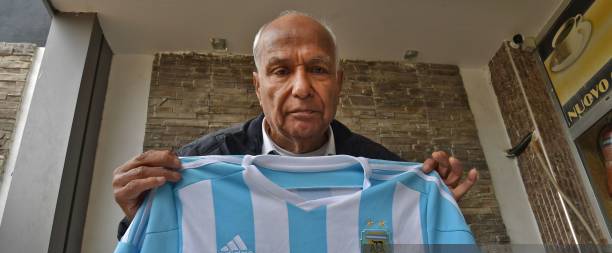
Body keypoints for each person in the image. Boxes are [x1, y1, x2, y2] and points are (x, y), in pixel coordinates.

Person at [113, 11, 479, 238]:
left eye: (318, 70)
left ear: (339, 83)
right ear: (259, 87)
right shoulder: (198, 166)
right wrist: (140, 220)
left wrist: (436, 223)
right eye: (281, 70)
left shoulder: (389, 176)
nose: (302, 88)